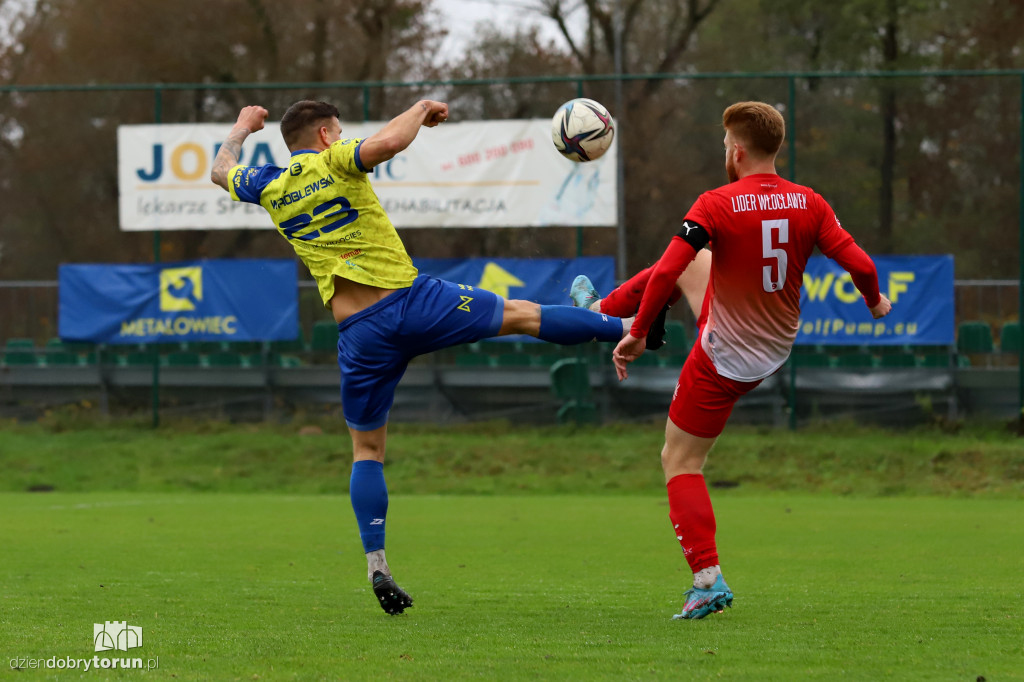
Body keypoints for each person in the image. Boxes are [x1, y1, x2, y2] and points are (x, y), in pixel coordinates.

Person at [210, 99, 634, 615]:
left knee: (367, 451)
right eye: (339, 130)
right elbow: (388, 143)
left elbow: (220, 170)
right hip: (411, 304)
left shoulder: (272, 186)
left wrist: (241, 128)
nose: (343, 137)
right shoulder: (333, 159)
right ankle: (630, 327)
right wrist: (421, 108)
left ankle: (377, 564)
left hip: (359, 334)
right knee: (524, 315)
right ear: (325, 135)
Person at [606, 101, 892, 619]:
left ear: (736, 151)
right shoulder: (810, 203)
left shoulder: (715, 204)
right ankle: (601, 313)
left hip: (724, 358)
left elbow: (667, 268)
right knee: (696, 266)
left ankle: (707, 579)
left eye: (724, 147)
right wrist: (874, 301)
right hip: (774, 347)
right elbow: (862, 264)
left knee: (680, 461)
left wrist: (642, 333)